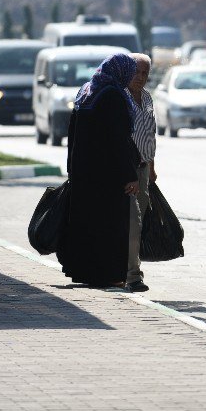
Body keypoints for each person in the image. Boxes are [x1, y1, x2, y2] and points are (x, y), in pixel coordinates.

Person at [56, 53, 141, 289]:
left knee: (86, 224)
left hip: (84, 171)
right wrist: (130, 174)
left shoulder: (87, 91)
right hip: (108, 175)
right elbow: (117, 140)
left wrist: (72, 167)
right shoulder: (113, 95)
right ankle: (110, 275)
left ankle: (86, 271)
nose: (132, 77)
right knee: (110, 225)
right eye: (131, 72)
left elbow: (72, 134)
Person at [125, 53, 157, 293]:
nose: (140, 77)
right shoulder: (120, 98)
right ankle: (133, 275)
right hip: (127, 170)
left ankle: (126, 268)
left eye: (145, 73)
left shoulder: (147, 98)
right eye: (136, 72)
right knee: (133, 223)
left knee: (139, 221)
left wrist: (153, 168)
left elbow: (150, 134)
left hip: (144, 169)